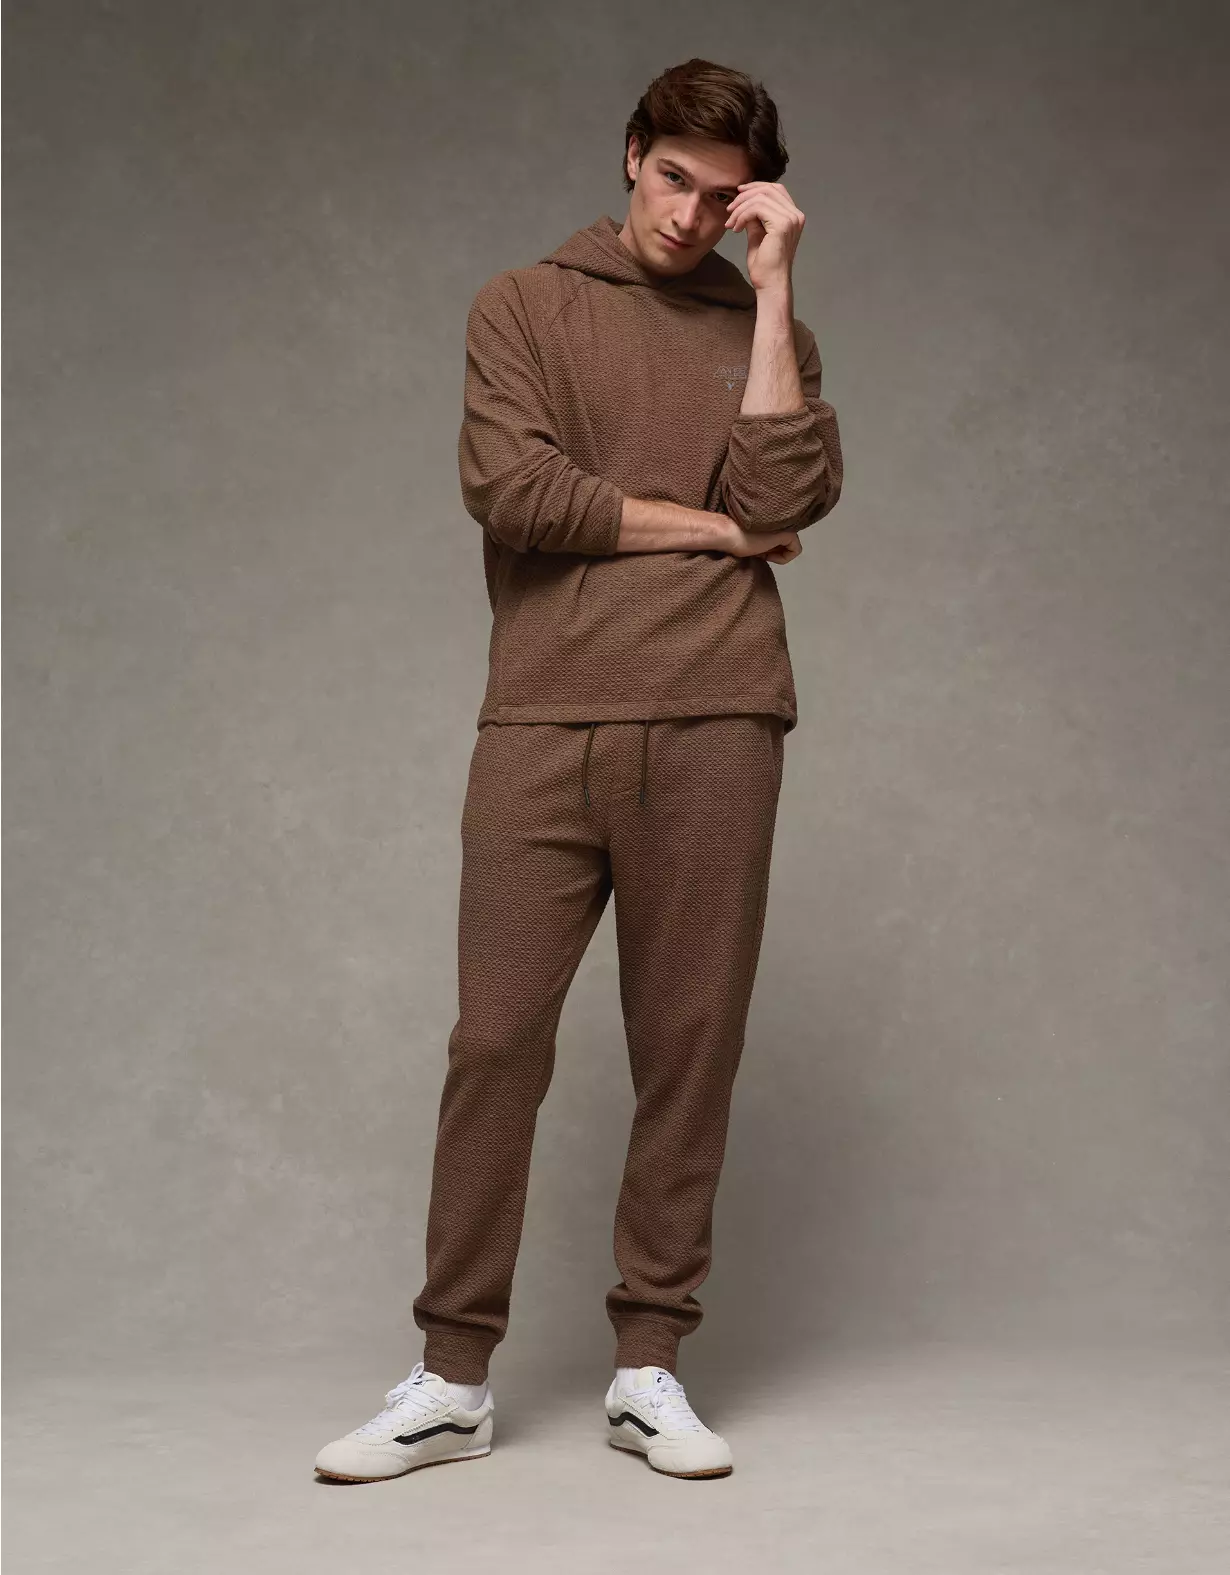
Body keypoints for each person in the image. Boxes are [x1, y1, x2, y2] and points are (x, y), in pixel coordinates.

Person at [315, 55, 843, 1484]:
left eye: (723, 198)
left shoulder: (765, 333)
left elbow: (788, 489)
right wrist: (717, 533)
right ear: (629, 155)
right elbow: (517, 492)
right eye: (673, 178)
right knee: (495, 1041)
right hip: (545, 715)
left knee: (689, 1045)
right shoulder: (523, 305)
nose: (689, 215)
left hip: (719, 713)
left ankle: (648, 1365)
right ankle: (451, 1377)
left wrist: (773, 291)